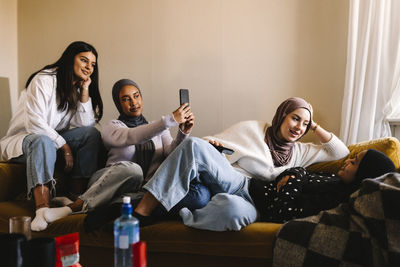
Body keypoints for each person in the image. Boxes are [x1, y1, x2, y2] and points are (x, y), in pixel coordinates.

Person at [122, 97, 351, 231]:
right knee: (194, 146)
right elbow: (211, 145)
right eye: (295, 118)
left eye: (304, 124)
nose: (298, 127)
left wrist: (313, 124)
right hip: (235, 180)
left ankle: (183, 214)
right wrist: (213, 147)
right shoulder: (254, 129)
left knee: (230, 211)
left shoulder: (302, 152)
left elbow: (340, 151)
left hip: (255, 203)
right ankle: (143, 212)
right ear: (282, 115)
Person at [43, 79, 207, 226]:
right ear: (118, 103)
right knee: (133, 170)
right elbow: (133, 136)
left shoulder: (157, 128)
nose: (133, 102)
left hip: (139, 191)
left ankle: (106, 206)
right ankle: (74, 206)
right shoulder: (112, 127)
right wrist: (169, 120)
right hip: (111, 181)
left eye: (136, 96)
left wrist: (183, 133)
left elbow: (172, 154)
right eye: (125, 99)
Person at [0, 41, 104, 231]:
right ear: (70, 59)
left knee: (91, 134)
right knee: (43, 140)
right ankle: (42, 209)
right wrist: (64, 146)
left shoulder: (74, 86)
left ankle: (74, 197)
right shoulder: (44, 79)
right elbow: (34, 123)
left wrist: (85, 90)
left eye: (92, 64)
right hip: (26, 141)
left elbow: (86, 124)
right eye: (84, 60)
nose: (89, 67)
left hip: (51, 142)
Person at [249, 149, 396, 223]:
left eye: (354, 162)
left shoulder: (335, 202)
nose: (347, 161)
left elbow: (283, 210)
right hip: (251, 185)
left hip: (255, 201)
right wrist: (297, 175)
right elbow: (302, 170)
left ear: (364, 174)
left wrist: (293, 177)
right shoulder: (335, 178)